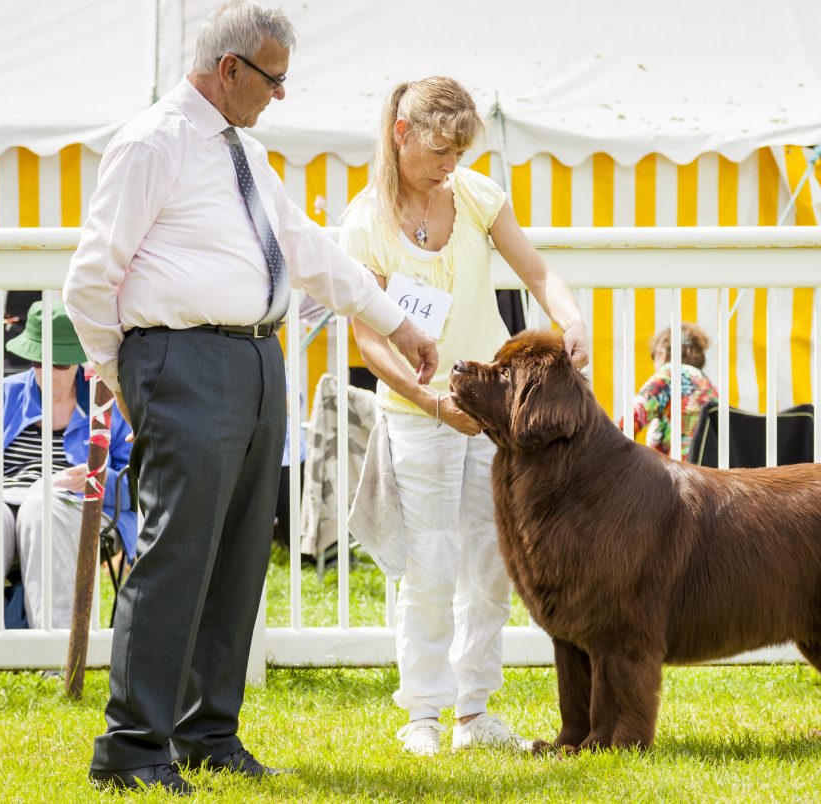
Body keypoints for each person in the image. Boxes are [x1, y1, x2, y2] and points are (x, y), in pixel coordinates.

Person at [62, 1, 437, 795]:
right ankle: (131, 748)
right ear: (229, 69)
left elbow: (305, 249)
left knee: (239, 557)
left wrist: (396, 321)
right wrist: (118, 375)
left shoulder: (248, 156)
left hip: (257, 362)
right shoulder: (151, 143)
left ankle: (208, 733)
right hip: (182, 360)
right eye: (274, 79)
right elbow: (91, 280)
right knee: (174, 555)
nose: (282, 95)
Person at [340, 76, 589, 756]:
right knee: (428, 564)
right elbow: (367, 339)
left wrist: (569, 318)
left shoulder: (477, 196)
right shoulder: (365, 222)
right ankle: (423, 712)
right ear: (401, 135)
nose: (451, 164)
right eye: (440, 150)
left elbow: (538, 273)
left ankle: (473, 713)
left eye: (459, 150)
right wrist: (428, 400)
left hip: (490, 414)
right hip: (418, 414)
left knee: (489, 563)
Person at [0, 301, 134, 629]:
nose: (48, 372)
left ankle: (54, 648)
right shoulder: (2, 395)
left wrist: (99, 480)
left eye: (59, 364)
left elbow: (138, 481)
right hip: (5, 498)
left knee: (42, 507)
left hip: (75, 507)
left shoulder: (105, 400)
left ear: (78, 362)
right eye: (38, 361)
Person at [628, 322, 718, 458]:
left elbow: (631, 419)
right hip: (708, 475)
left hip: (675, 475)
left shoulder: (670, 375)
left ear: (662, 353)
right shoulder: (709, 388)